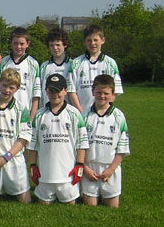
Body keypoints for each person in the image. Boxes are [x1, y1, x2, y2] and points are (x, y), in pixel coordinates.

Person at [29, 73, 89, 204]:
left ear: (66, 91)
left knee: (70, 204)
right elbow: (33, 144)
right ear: (46, 91)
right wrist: (33, 166)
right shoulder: (39, 115)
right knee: (42, 205)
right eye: (51, 91)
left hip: (68, 176)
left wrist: (79, 165)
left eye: (58, 91)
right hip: (45, 176)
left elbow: (82, 143)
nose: (55, 94)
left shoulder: (74, 114)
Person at [0, 68, 32, 203]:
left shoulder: (22, 109)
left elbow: (24, 138)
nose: (7, 90)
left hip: (12, 159)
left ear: (17, 88)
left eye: (11, 87)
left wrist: (6, 157)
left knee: (25, 200)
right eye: (4, 85)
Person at [81, 74, 130, 208]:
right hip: (90, 168)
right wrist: (85, 168)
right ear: (93, 92)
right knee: (90, 205)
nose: (102, 96)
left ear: (113, 94)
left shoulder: (119, 116)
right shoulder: (84, 116)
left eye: (106, 93)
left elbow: (122, 148)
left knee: (112, 207)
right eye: (99, 92)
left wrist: (111, 169)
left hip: (110, 167)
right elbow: (78, 146)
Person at [67, 24, 123, 113]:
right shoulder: (76, 63)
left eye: (95, 40)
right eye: (89, 40)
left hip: (103, 113)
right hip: (81, 113)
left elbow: (115, 90)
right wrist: (82, 113)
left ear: (103, 40)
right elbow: (71, 91)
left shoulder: (110, 63)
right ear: (84, 42)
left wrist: (104, 109)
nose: (92, 43)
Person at [0, 27, 41, 120]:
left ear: (28, 44)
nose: (18, 47)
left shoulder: (33, 64)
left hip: (25, 113)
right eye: (15, 43)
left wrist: (32, 117)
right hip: (5, 111)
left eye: (22, 44)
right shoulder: (3, 62)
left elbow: (36, 94)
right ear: (11, 43)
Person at [39, 28, 72, 107]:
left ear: (65, 45)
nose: (55, 48)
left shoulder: (72, 64)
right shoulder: (44, 66)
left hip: (66, 111)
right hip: (47, 110)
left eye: (58, 45)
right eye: (52, 45)